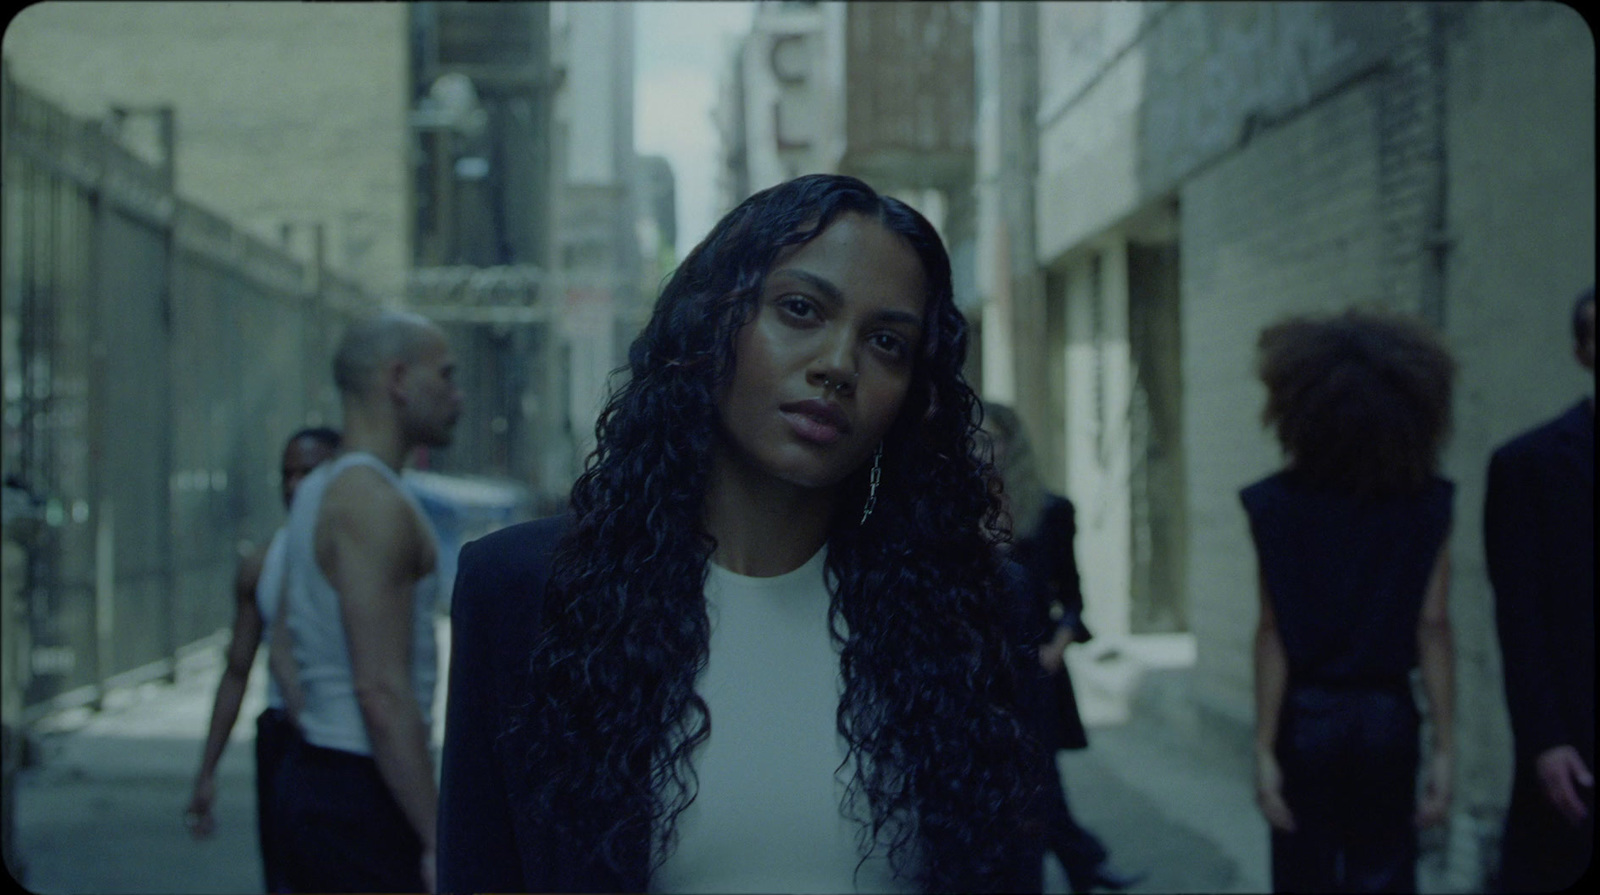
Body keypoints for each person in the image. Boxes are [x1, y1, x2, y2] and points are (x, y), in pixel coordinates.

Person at [437, 174, 1050, 894]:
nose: (837, 364)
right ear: (713, 322)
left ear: (913, 392)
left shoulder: (975, 611)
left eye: (886, 342)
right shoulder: (526, 591)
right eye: (800, 309)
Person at [1242, 308, 1457, 893]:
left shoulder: (1273, 506)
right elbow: (1432, 625)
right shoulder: (1428, 504)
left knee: (1302, 876)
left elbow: (1272, 631)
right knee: (1384, 873)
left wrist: (1263, 749)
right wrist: (1445, 745)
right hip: (1387, 718)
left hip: (1306, 718)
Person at [275, 310, 462, 893]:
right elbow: (380, 691)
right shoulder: (370, 502)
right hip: (364, 791)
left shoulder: (322, 489)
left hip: (331, 776)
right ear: (399, 379)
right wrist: (436, 836)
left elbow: (286, 644)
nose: (457, 396)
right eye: (446, 375)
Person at [982, 403, 1142, 894]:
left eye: (991, 438)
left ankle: (1071, 867)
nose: (981, 448)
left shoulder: (1051, 511)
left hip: (1036, 670)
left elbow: (1071, 597)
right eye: (973, 438)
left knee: (1037, 780)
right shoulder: (958, 508)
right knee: (1009, 784)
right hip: (981, 673)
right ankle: (1083, 863)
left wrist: (1057, 645)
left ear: (1013, 444)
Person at [183, 426, 339, 892]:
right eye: (286, 475)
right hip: (282, 738)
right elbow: (236, 671)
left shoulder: (367, 555)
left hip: (346, 733)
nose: (294, 486)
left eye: (308, 474)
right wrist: (206, 773)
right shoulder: (262, 564)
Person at [1487, 285, 1594, 893]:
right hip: (1575, 743)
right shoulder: (1529, 466)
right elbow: (1519, 617)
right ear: (1583, 352)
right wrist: (1545, 739)